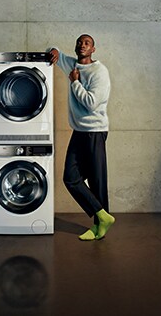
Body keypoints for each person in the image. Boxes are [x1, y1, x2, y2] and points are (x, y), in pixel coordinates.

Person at [49, 34, 115, 241]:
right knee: (70, 178)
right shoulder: (72, 64)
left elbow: (91, 103)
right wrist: (52, 50)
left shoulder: (99, 72)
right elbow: (57, 54)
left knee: (97, 181)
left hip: (95, 131)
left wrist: (75, 82)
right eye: (79, 42)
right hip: (79, 131)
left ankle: (99, 228)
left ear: (93, 49)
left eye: (87, 43)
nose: (82, 45)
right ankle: (103, 217)